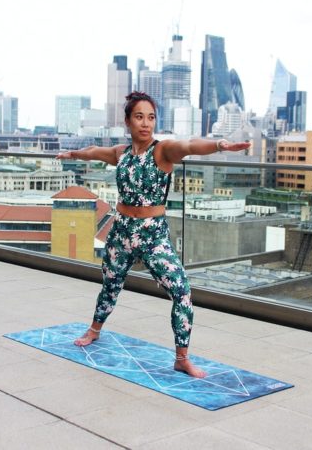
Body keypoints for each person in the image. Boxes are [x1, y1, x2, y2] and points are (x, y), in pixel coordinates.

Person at [56, 91, 251, 378]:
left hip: (153, 235)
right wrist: (72, 154)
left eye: (151, 117)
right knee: (110, 285)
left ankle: (182, 358)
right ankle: (94, 329)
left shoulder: (163, 151)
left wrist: (221, 144)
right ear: (127, 121)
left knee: (181, 291)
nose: (146, 124)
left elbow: (190, 145)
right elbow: (95, 151)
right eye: (139, 117)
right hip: (121, 230)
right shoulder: (120, 153)